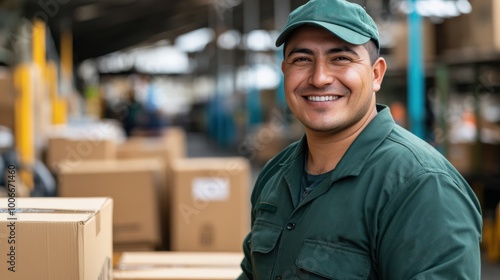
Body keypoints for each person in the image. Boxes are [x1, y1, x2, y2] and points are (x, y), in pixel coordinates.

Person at [237, 0, 482, 279]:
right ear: (285, 73)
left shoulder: (421, 186)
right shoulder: (275, 174)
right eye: (302, 59)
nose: (319, 78)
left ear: (376, 74)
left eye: (340, 58)